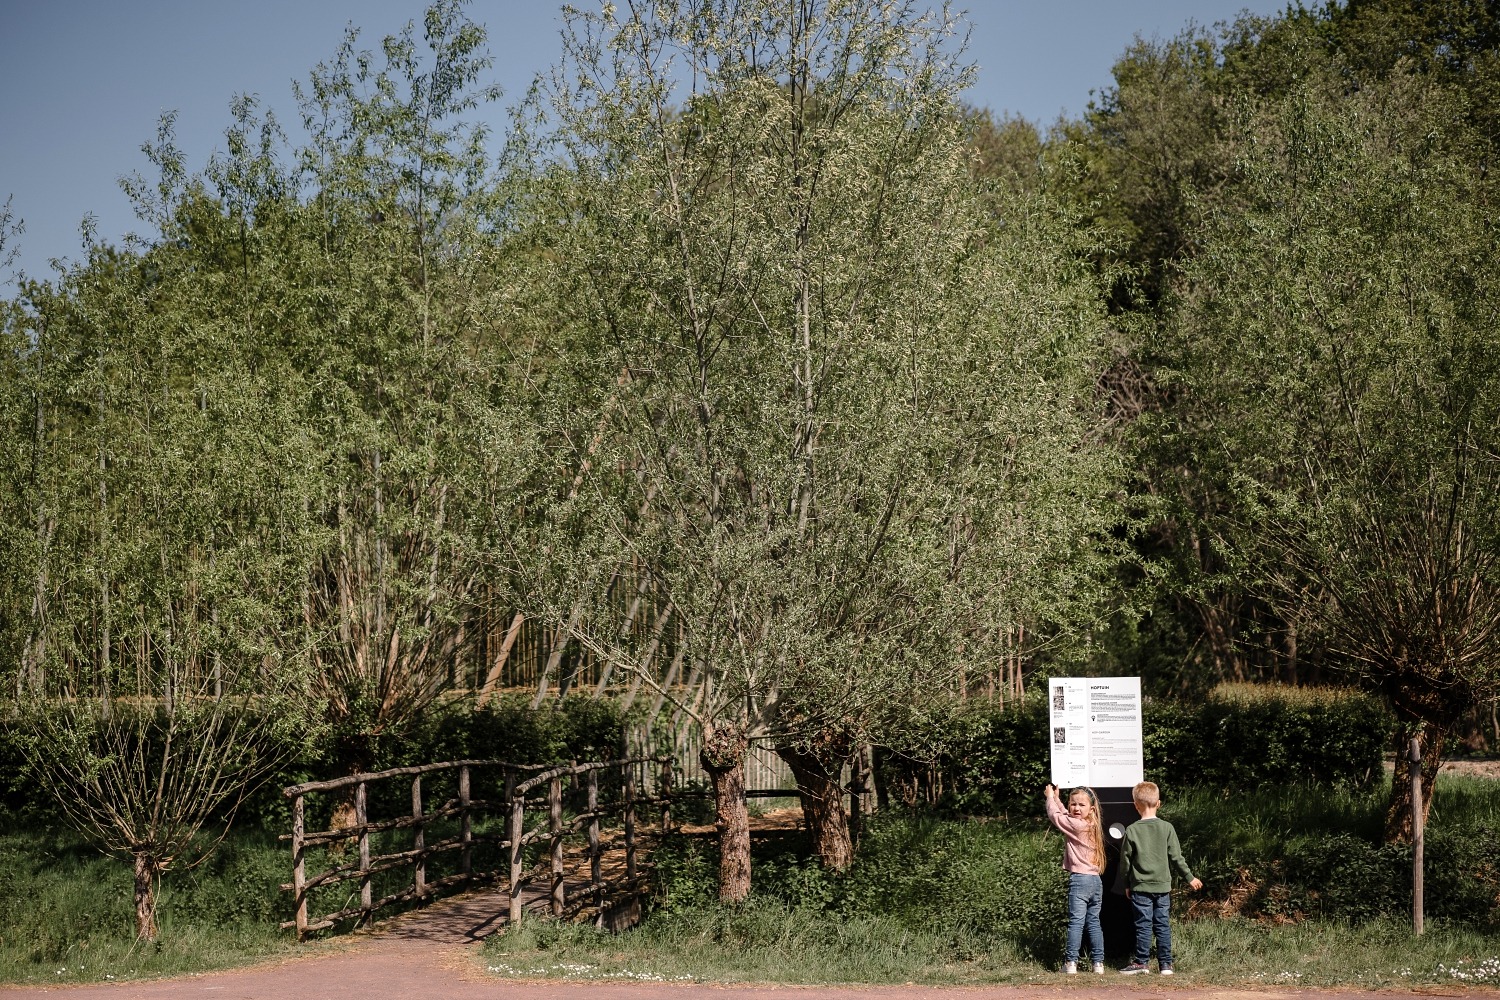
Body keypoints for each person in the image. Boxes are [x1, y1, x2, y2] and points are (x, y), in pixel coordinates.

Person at [1119, 781, 1202, 975]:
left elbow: (1125, 862)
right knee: (1162, 924)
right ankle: (1166, 964)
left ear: (1135, 805)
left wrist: (1126, 883)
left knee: (1143, 924)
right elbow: (1176, 857)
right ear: (1159, 804)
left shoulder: (1131, 830)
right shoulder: (1167, 828)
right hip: (1163, 887)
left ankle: (1142, 962)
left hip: (1140, 887)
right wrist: (1189, 877)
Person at [1043, 783, 1106, 974]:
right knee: (1094, 922)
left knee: (1076, 922)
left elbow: (1056, 817)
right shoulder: (1091, 824)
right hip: (1095, 881)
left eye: (1081, 805)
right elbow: (1066, 816)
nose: (1076, 808)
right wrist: (1057, 799)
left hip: (1080, 880)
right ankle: (1098, 963)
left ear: (1091, 809)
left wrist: (1049, 798)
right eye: (1073, 804)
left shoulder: (1077, 826)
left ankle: (1071, 963)